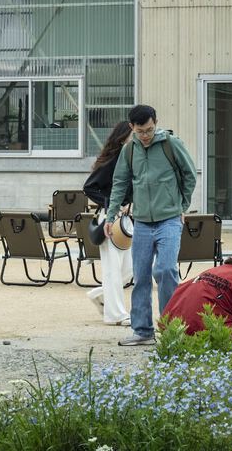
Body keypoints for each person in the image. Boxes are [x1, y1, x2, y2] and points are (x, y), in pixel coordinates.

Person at [106, 103, 196, 347]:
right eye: (140, 131)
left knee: (165, 270)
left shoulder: (171, 144)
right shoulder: (129, 150)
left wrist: (182, 205)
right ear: (131, 127)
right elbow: (120, 182)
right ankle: (143, 331)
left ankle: (171, 330)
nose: (145, 135)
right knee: (141, 276)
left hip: (169, 219)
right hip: (142, 222)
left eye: (149, 130)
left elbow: (190, 175)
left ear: (155, 123)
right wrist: (111, 215)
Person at [82, 120, 134, 325]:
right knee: (113, 268)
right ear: (123, 138)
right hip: (111, 219)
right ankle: (115, 315)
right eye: (133, 135)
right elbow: (89, 187)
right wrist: (114, 204)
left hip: (126, 219)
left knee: (130, 268)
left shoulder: (133, 158)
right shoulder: (113, 160)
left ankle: (99, 295)